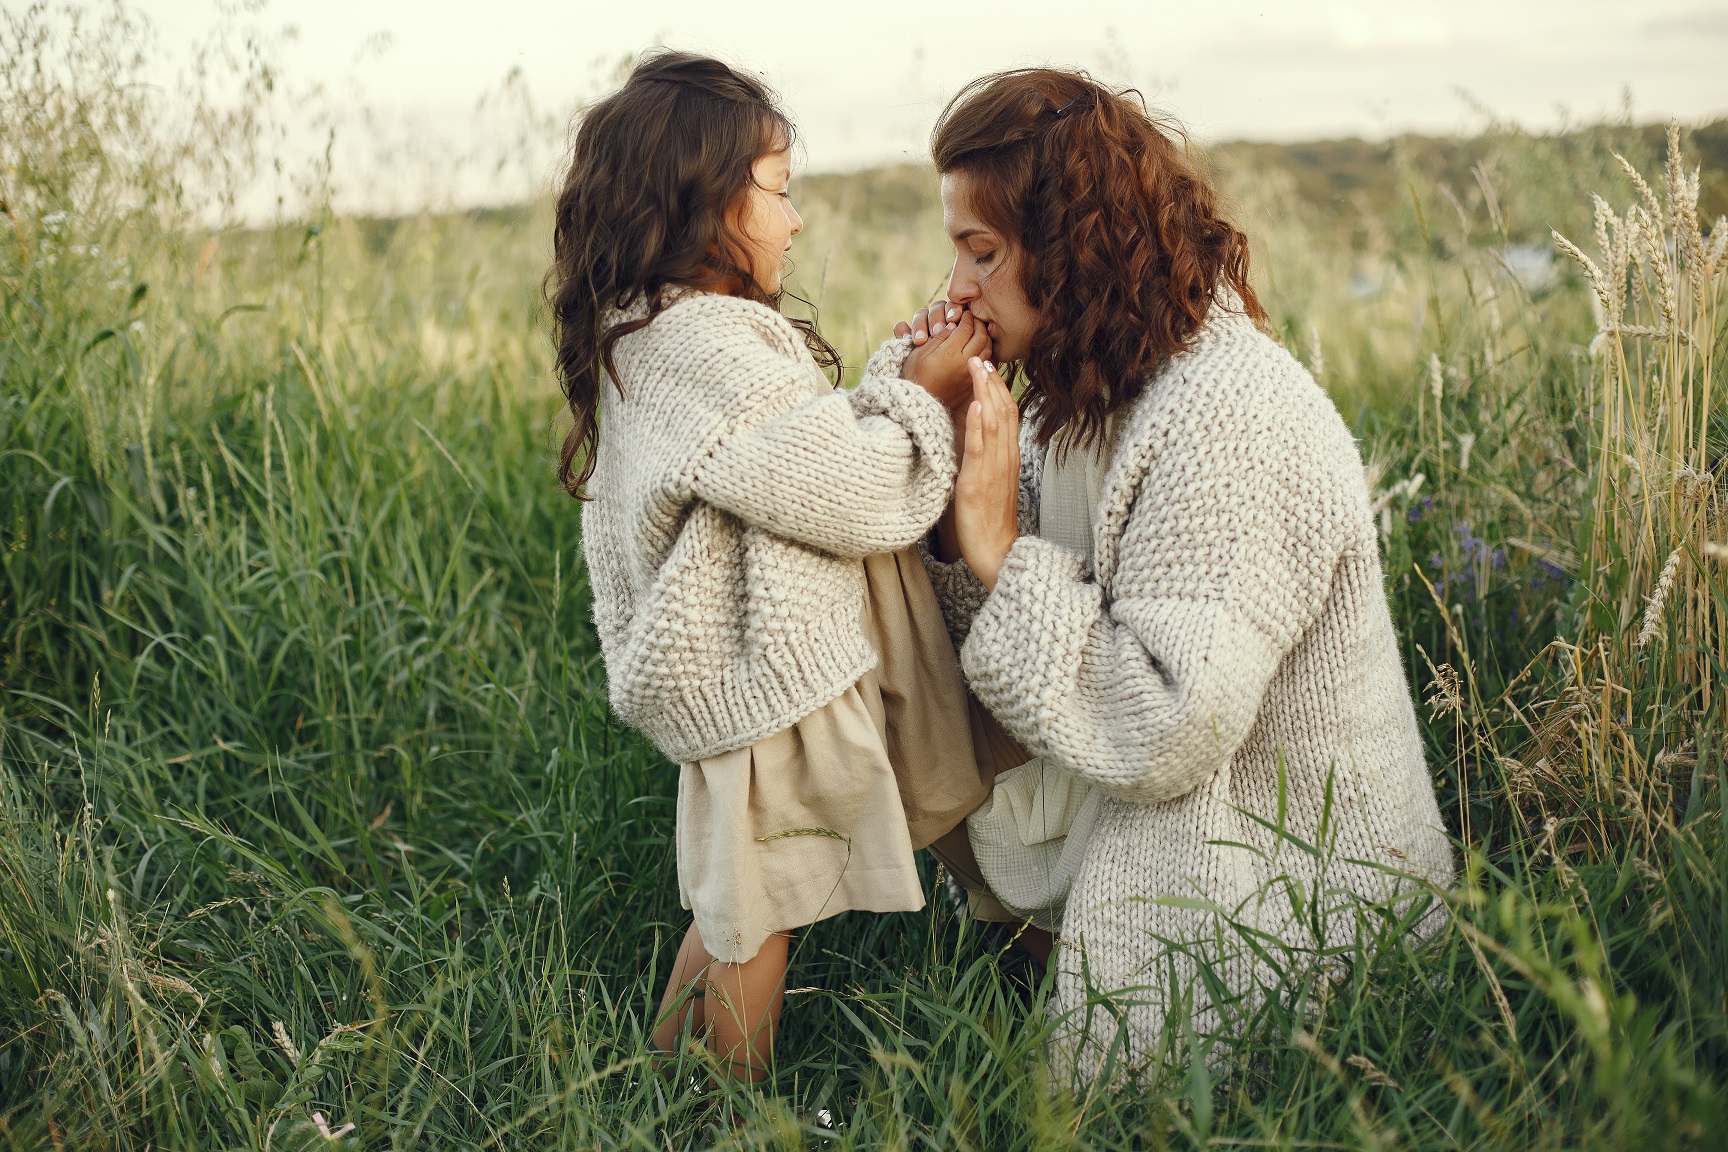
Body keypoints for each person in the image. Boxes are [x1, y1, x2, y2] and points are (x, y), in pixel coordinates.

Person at [899, 69, 1455, 1081]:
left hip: (1298, 879)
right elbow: (984, 627)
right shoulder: (1087, 393)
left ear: (1071, 248)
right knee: (874, 608)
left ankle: (1077, 979)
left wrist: (996, 549)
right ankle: (1030, 941)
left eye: (981, 253)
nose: (957, 291)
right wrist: (934, 461)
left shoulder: (1227, 410)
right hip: (1177, 805)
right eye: (957, 255)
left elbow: (1170, 726)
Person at [547, 52, 996, 1081]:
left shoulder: (663, 332)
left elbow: (792, 452)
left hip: (755, 677)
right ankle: (726, 1112)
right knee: (755, 920)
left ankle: (659, 1094)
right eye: (780, 192)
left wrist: (896, 374)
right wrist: (924, 398)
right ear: (704, 201)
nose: (795, 222)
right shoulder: (703, 342)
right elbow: (843, 486)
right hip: (762, 682)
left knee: (738, 908)